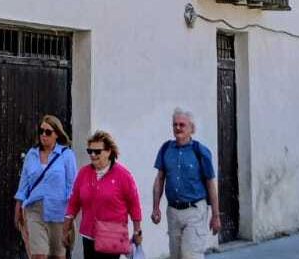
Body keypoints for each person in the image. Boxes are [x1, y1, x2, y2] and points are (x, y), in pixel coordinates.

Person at [151, 108, 220, 259]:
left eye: (182, 125)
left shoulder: (201, 151)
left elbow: (210, 184)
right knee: (175, 256)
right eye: (175, 125)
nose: (178, 128)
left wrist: (216, 215)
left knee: (190, 255)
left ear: (192, 129)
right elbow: (159, 180)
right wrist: (156, 207)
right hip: (173, 211)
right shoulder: (165, 149)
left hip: (195, 210)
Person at [64, 130, 143, 258]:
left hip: (112, 235)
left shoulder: (123, 176)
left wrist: (137, 231)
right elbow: (74, 201)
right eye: (90, 151)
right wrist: (66, 226)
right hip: (89, 235)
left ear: (108, 152)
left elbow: (134, 205)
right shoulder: (84, 173)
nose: (93, 155)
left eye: (97, 151)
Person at [15, 115, 77, 259]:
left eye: (48, 132)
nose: (44, 135)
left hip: (58, 210)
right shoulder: (32, 154)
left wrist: (70, 215)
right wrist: (18, 206)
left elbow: (72, 185)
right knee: (38, 254)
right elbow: (24, 183)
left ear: (57, 134)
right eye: (41, 131)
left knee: (57, 255)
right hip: (34, 209)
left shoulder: (66, 155)